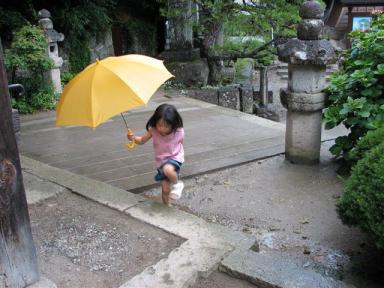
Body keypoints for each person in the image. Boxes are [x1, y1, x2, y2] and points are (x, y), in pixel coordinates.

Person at [127, 104, 184, 206]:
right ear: (155, 122)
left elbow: (180, 143)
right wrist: (132, 138)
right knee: (165, 190)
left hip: (174, 158)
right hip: (161, 162)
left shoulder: (178, 131)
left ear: (173, 124)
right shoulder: (153, 130)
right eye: (159, 125)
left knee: (167, 169)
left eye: (166, 126)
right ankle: (167, 207)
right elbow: (141, 141)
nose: (162, 128)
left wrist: (179, 157)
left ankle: (178, 184)